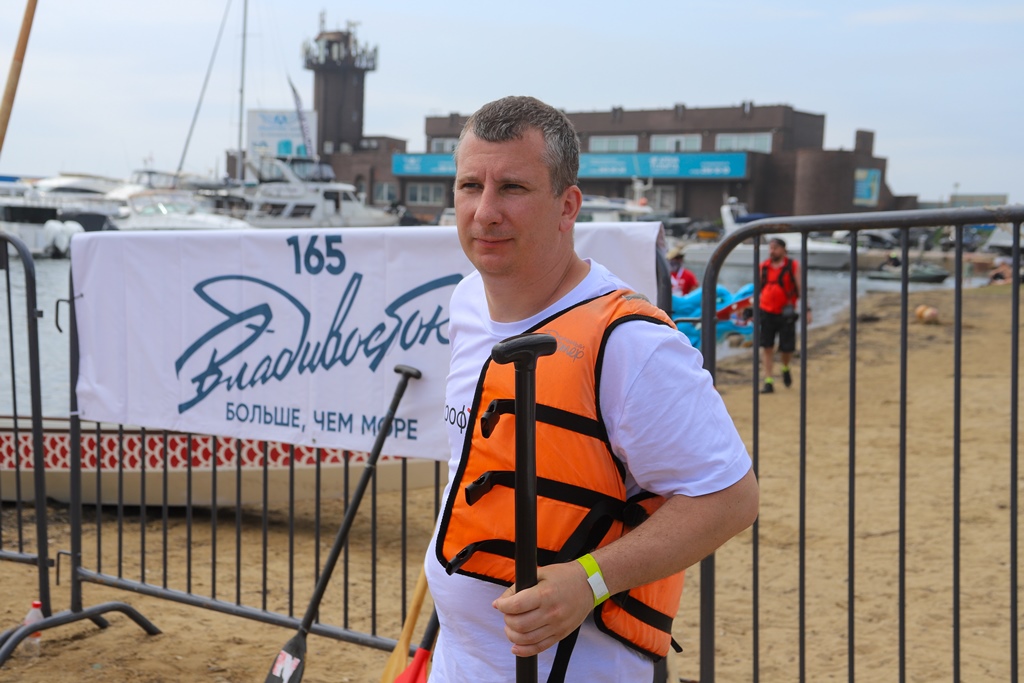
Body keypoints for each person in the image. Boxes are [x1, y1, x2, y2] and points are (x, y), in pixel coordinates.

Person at [425, 95, 759, 682]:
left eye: (513, 188)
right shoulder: (469, 300)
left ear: (568, 205)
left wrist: (589, 580)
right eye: (470, 186)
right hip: (458, 662)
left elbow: (730, 498)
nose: (485, 212)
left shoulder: (631, 342)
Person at [757, 237, 810, 394]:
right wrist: (751, 310)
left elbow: (801, 288)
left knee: (787, 348)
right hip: (766, 311)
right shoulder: (763, 267)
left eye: (775, 248)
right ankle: (768, 381)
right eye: (770, 248)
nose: (772, 251)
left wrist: (807, 309)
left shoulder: (793, 266)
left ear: (783, 250)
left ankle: (785, 367)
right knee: (767, 347)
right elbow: (757, 289)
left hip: (786, 313)